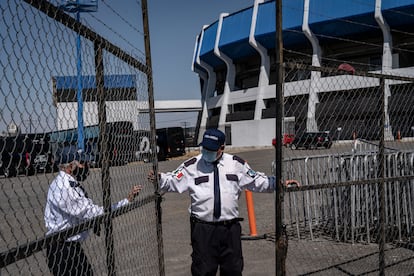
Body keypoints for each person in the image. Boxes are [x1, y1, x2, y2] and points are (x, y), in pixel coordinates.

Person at [148, 128, 275, 276]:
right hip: (203, 230)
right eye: (205, 148)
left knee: (233, 270)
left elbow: (258, 181)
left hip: (230, 229)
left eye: (211, 149)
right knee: (203, 271)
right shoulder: (192, 165)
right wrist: (159, 178)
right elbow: (172, 180)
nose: (206, 152)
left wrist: (279, 183)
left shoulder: (236, 164)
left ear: (222, 148)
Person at [44, 145, 142, 276]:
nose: (87, 165)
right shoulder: (63, 187)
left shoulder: (70, 183)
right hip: (61, 249)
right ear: (70, 166)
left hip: (70, 247)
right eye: (83, 163)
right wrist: (125, 202)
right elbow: (92, 213)